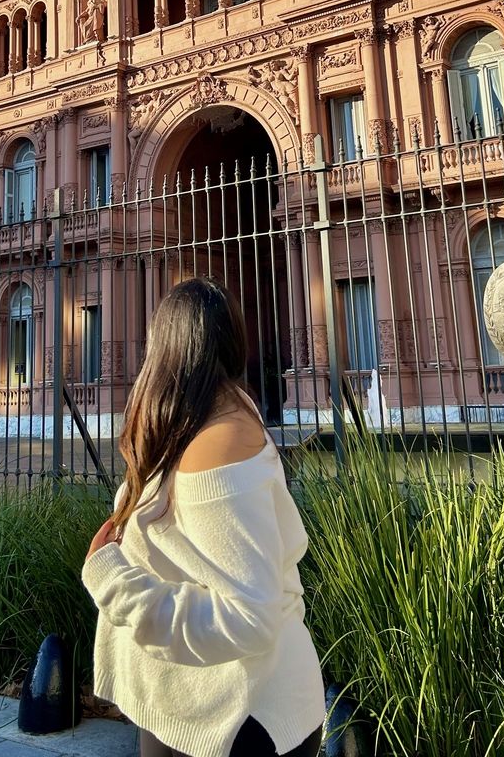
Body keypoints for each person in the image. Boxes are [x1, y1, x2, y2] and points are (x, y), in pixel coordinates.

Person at [81, 278, 326, 757]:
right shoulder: (189, 423)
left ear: (165, 345)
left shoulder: (220, 440)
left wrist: (113, 582)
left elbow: (247, 618)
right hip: (192, 705)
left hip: (241, 713)